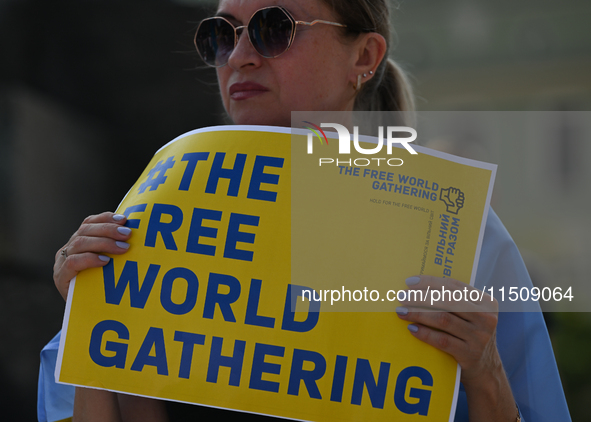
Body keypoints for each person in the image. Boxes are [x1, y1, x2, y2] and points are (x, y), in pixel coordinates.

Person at [42, 0, 571, 421]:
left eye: (274, 28)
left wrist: (486, 373)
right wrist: (90, 316)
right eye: (221, 35)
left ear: (363, 57)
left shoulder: (460, 231)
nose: (241, 56)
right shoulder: (152, 218)